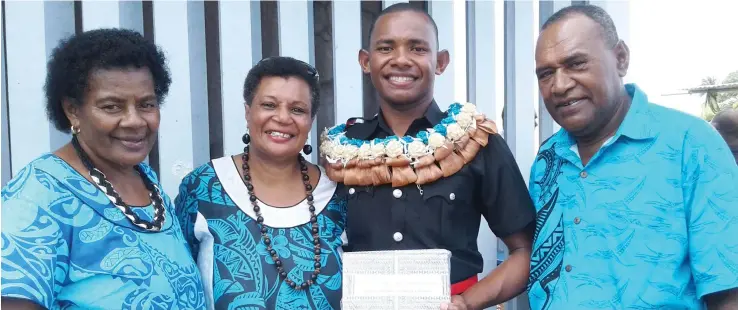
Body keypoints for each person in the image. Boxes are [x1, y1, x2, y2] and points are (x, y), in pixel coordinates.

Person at [319, 4, 536, 310]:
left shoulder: (473, 141)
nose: (401, 60)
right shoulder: (344, 150)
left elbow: (525, 251)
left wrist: (467, 302)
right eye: (386, 47)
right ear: (366, 61)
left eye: (417, 48)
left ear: (440, 62)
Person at [529, 4, 738, 309]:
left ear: (621, 58)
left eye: (576, 63)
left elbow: (727, 291)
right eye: (546, 73)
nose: (559, 85)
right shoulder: (548, 158)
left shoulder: (690, 145)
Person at [0, 29, 206, 309]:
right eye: (112, 107)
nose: (135, 121)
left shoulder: (144, 180)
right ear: (73, 110)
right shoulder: (37, 195)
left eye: (146, 104)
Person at [175, 56, 346, 310]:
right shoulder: (204, 186)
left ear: (310, 120)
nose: (283, 118)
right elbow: (179, 282)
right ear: (248, 112)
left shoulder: (337, 193)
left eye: (297, 109)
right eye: (269, 105)